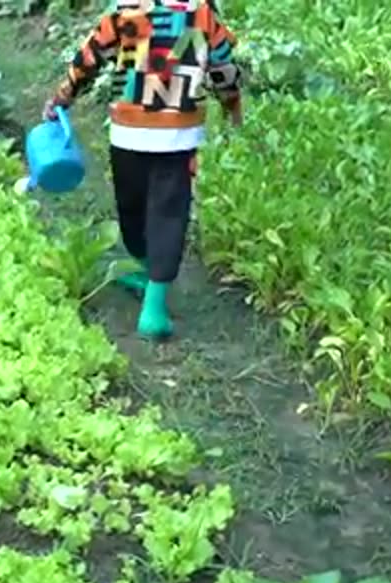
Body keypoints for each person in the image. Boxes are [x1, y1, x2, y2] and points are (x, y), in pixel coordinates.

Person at [42, 0, 244, 340]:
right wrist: (231, 102)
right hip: (178, 136)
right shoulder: (203, 13)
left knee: (131, 206)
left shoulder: (125, 9)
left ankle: (148, 285)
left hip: (129, 130)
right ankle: (154, 293)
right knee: (168, 212)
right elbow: (223, 65)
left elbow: (89, 56)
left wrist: (64, 95)